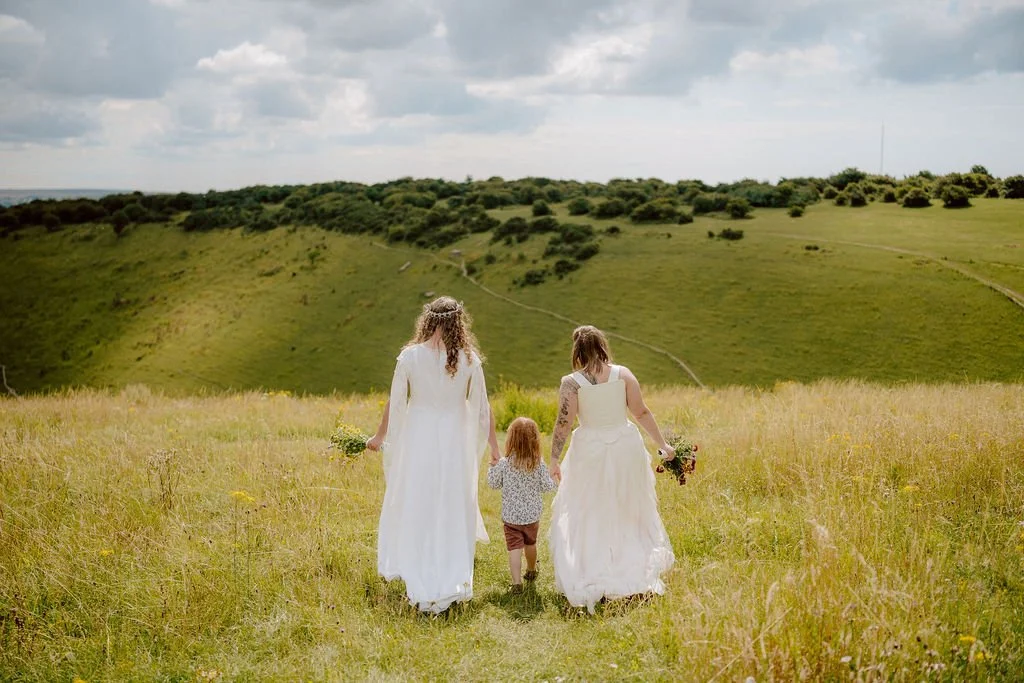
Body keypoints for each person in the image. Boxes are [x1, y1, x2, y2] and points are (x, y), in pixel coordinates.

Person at [366, 296, 499, 613]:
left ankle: (416, 552)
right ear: (459, 322)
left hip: (419, 433)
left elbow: (396, 402)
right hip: (454, 435)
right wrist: (494, 448)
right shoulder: (469, 359)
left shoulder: (410, 357)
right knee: (450, 494)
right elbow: (483, 409)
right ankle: (448, 556)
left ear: (428, 320)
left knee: (418, 491)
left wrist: (380, 436)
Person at [548, 325, 676, 612]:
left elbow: (563, 423)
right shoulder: (623, 374)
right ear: (602, 345)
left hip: (589, 450)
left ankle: (595, 566)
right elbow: (640, 412)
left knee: (590, 508)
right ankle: (632, 565)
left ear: (577, 350)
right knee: (627, 505)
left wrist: (554, 459)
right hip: (624, 447)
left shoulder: (571, 383)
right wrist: (663, 445)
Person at [486, 417, 558, 592]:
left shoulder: (505, 463)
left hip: (511, 518)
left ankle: (517, 583)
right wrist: (555, 479)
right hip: (532, 516)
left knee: (514, 549)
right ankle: (531, 570)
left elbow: (493, 483)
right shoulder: (538, 463)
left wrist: (492, 467)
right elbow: (547, 486)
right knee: (530, 544)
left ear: (511, 439)